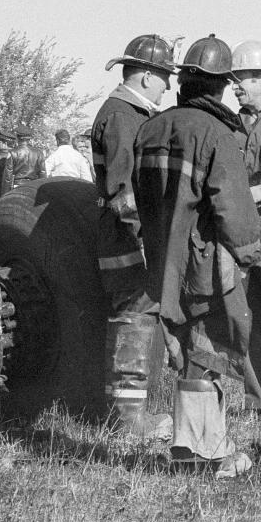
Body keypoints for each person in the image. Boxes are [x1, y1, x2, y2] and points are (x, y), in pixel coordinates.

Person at [135, 34, 259, 475]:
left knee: (188, 350)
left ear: (184, 80)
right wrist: (251, 254)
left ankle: (190, 447)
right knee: (224, 348)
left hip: (162, 261)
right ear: (220, 85)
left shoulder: (150, 128)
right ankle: (213, 451)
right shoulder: (217, 133)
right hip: (206, 264)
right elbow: (234, 211)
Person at [92, 34, 175, 438]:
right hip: (127, 240)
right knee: (134, 318)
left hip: (127, 236)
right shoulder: (124, 117)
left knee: (136, 315)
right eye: (164, 77)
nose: (168, 87)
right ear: (145, 76)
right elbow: (124, 193)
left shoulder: (125, 113)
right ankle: (130, 424)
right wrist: (143, 240)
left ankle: (129, 414)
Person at [230, 40, 261, 413]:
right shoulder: (237, 126)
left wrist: (238, 195)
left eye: (244, 78)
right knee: (251, 316)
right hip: (250, 238)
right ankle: (256, 400)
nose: (236, 85)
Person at [0, 125, 45, 193]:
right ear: (29, 139)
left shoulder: (12, 153)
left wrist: (4, 194)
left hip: (17, 187)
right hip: (33, 187)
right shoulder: (39, 153)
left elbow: (7, 177)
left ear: (17, 138)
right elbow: (42, 174)